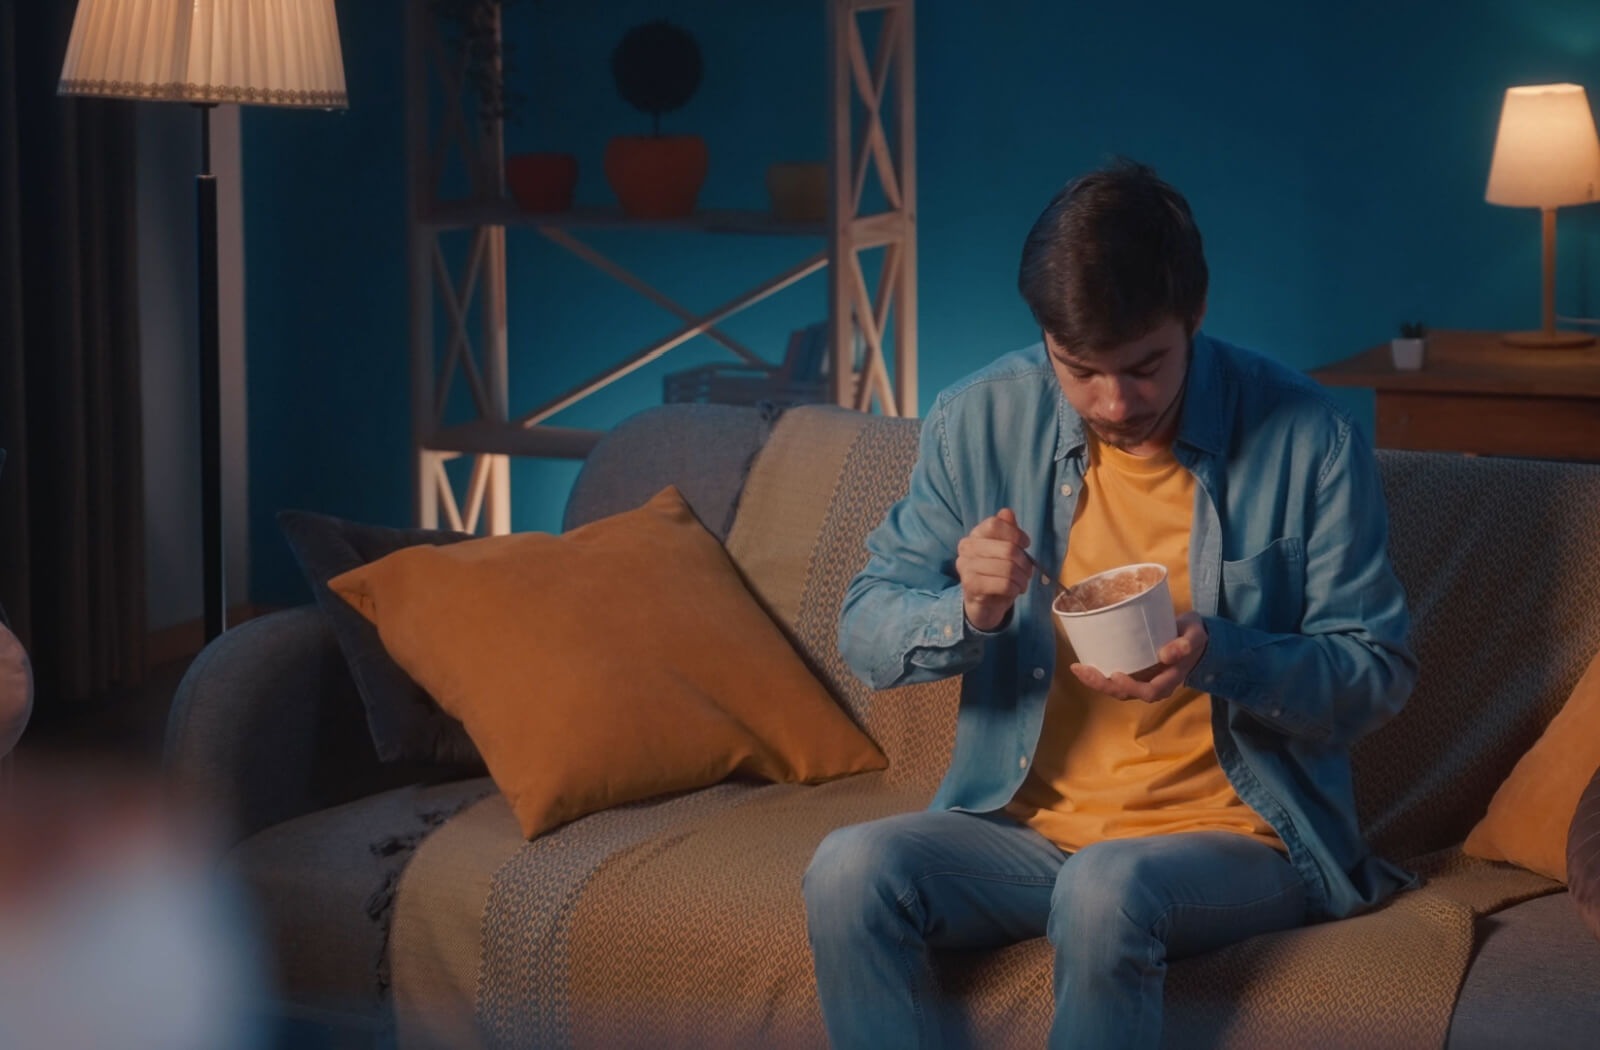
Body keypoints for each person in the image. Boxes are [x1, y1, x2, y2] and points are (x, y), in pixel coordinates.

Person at [801, 160, 1419, 1050]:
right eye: (1079, 371)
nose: (1115, 402)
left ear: (1195, 316)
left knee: (1106, 888)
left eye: (1145, 366)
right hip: (1021, 829)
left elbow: (1377, 672)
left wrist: (1218, 654)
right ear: (1045, 339)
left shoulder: (1309, 438)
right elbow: (864, 627)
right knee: (847, 870)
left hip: (1245, 837)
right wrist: (966, 610)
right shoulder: (978, 420)